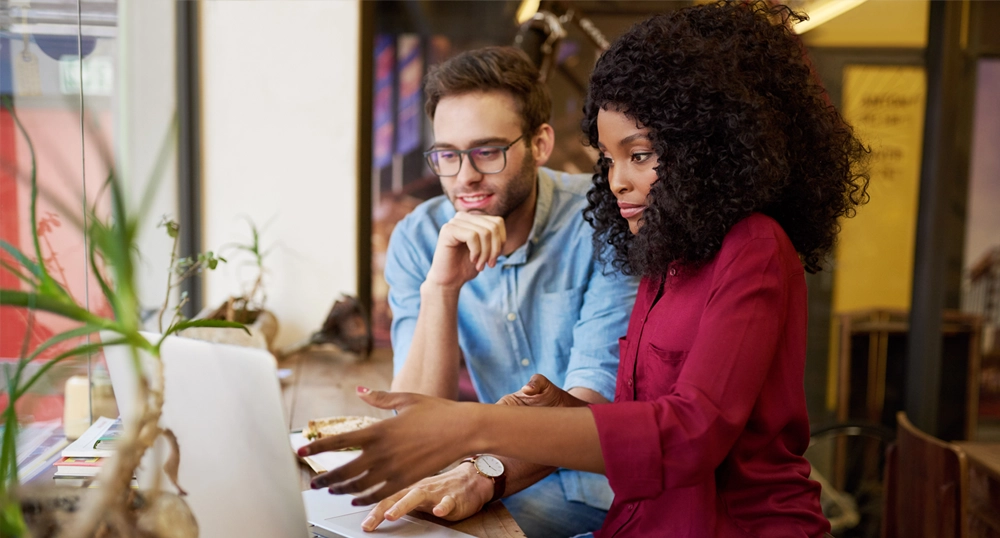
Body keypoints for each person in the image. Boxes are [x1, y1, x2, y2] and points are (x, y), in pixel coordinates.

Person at [302, 2, 869, 537]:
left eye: (640, 154)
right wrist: (493, 468)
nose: (617, 180)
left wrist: (477, 427)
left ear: (707, 145)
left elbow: (690, 433)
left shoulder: (756, 247)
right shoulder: (662, 252)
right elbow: (624, 414)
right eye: (610, 158)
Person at [379, 46, 638, 537]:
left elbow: (594, 401)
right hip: (486, 469)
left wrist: (480, 472)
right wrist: (441, 288)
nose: (465, 176)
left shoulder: (605, 221)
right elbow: (413, 416)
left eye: (486, 151)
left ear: (539, 144)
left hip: (594, 486)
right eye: (447, 156)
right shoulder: (419, 237)